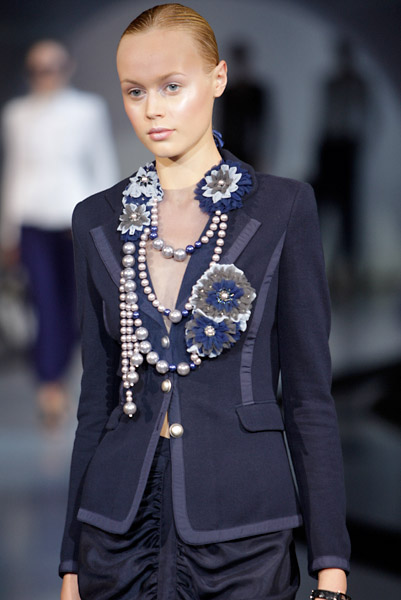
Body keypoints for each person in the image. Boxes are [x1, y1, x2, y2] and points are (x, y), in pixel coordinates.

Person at [60, 4, 351, 599]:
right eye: (135, 90)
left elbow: (308, 399)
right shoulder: (96, 220)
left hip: (244, 532)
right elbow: (97, 402)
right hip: (115, 536)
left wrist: (331, 566)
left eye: (172, 86)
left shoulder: (282, 209)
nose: (152, 109)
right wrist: (69, 563)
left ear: (218, 78)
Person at [0, 40, 118, 426]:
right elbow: (14, 169)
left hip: (74, 218)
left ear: (68, 67)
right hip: (31, 218)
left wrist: (107, 225)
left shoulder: (88, 110)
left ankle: (59, 379)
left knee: (74, 306)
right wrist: (7, 231)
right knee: (43, 302)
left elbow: (101, 163)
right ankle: (49, 385)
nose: (45, 76)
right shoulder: (16, 113)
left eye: (52, 67)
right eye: (37, 69)